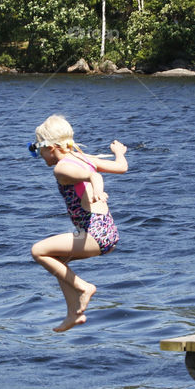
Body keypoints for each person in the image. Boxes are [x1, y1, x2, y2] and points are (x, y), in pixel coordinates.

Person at [29, 115, 128, 332]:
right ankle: (74, 314)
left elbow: (92, 177)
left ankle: (84, 287)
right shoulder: (84, 158)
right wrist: (119, 153)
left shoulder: (62, 168)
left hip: (94, 235)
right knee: (58, 264)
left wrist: (98, 193)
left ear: (52, 148)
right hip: (107, 233)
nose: (38, 155)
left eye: (37, 149)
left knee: (38, 251)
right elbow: (121, 168)